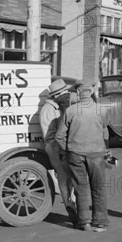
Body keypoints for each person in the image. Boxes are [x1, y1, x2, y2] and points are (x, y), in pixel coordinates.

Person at [55, 84, 110, 232]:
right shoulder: (102, 110)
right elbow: (104, 130)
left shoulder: (71, 111)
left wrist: (67, 151)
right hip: (97, 154)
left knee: (80, 188)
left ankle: (84, 222)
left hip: (75, 154)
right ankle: (100, 222)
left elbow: (59, 136)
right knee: (98, 188)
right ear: (91, 92)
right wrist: (106, 149)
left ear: (78, 93)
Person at [39, 79, 78, 227]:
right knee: (64, 179)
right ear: (58, 95)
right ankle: (71, 209)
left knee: (72, 179)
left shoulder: (61, 106)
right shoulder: (49, 110)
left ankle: (74, 205)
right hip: (55, 147)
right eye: (64, 93)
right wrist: (62, 149)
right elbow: (49, 136)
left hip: (64, 146)